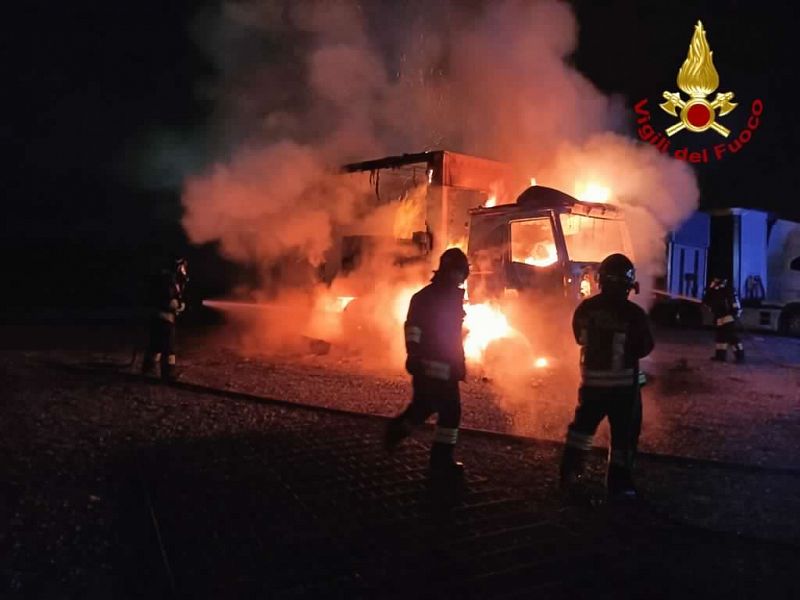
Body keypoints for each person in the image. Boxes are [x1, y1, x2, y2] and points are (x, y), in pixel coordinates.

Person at [559, 253, 655, 501]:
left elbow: (579, 338)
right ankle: (619, 484)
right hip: (623, 388)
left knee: (581, 430)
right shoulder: (634, 314)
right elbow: (644, 347)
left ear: (600, 280)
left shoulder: (586, 308)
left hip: (591, 385)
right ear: (629, 284)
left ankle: (570, 473)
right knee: (624, 435)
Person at [384, 247, 469, 477]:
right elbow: (413, 328)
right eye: (459, 272)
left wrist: (459, 362)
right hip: (433, 367)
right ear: (450, 271)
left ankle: (397, 432)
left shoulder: (446, 297)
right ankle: (440, 461)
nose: (461, 278)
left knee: (423, 409)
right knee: (449, 413)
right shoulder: (428, 297)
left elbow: (450, 335)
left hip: (442, 367)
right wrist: (415, 354)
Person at [142, 257, 189, 382]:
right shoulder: (169, 280)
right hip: (165, 319)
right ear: (177, 266)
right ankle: (169, 373)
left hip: (157, 318)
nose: (184, 270)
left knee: (156, 345)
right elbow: (169, 302)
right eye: (183, 267)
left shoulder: (164, 277)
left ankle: (148, 369)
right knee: (169, 348)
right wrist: (180, 306)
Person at [702, 276, 744, 363]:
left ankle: (740, 357)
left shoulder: (727, 290)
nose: (714, 282)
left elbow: (734, 304)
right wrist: (711, 288)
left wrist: (734, 314)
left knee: (732, 338)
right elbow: (705, 301)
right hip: (720, 317)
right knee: (721, 337)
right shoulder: (715, 291)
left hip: (728, 317)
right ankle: (720, 356)